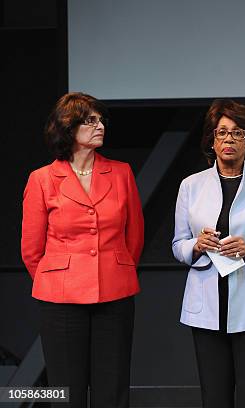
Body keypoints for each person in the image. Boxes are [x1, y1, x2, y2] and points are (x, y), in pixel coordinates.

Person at [21, 92, 144, 408]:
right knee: (65, 391)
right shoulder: (42, 179)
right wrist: (60, 280)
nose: (99, 125)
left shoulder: (121, 172)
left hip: (115, 294)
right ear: (68, 127)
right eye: (90, 120)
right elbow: (32, 250)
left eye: (100, 119)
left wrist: (114, 270)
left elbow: (135, 238)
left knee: (112, 388)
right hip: (61, 299)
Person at [172, 99, 245, 408]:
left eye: (237, 133)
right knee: (214, 397)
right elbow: (178, 244)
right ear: (211, 141)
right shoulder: (190, 186)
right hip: (205, 305)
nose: (228, 139)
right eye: (221, 132)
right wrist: (196, 245)